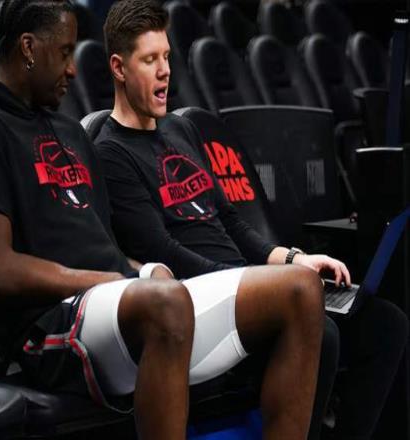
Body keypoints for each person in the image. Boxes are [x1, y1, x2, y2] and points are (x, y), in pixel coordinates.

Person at [0, 1, 326, 439]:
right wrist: (110, 280)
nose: (73, 70)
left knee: (301, 289)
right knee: (166, 301)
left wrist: (142, 271)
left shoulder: (68, 131)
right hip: (48, 327)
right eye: (65, 53)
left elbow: (103, 245)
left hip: (113, 303)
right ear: (29, 48)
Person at [94, 1, 409, 439]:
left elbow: (232, 223)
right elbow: (162, 251)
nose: (165, 71)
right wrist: (256, 283)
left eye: (166, 56)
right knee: (325, 334)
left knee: (386, 324)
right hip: (200, 303)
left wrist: (294, 260)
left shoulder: (181, 130)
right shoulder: (110, 152)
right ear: (119, 67)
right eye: (150, 60)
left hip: (251, 287)